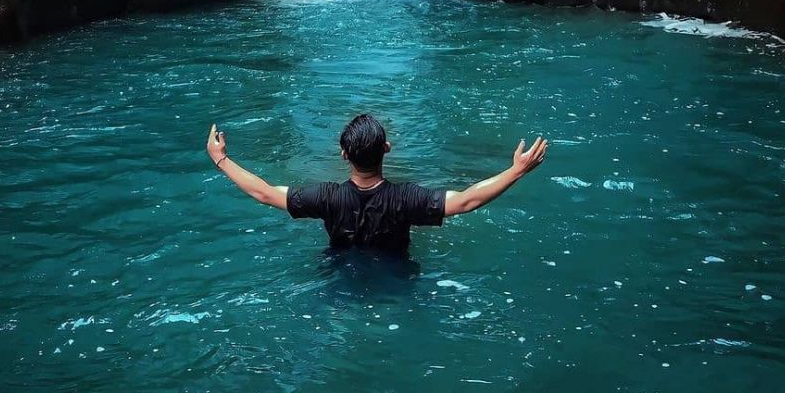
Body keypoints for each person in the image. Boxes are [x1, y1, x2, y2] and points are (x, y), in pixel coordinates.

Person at [206, 112, 548, 253]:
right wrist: (515, 171)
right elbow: (466, 201)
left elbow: (263, 193)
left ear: (343, 154)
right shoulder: (406, 199)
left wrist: (220, 159)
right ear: (386, 149)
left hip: (337, 280)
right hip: (397, 283)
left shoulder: (326, 197)